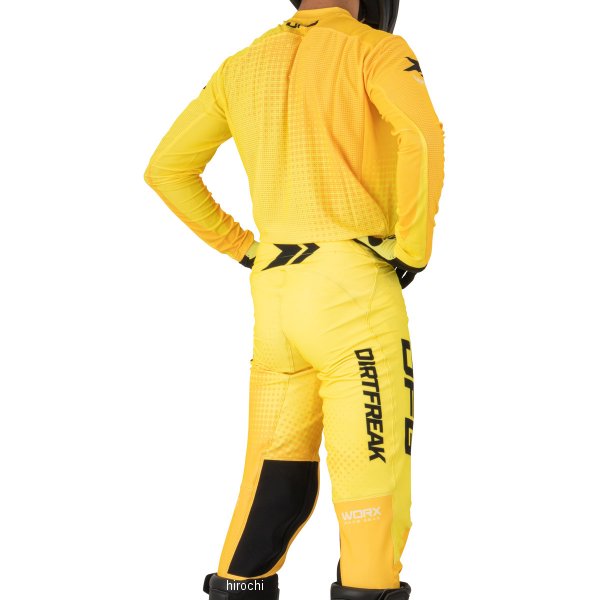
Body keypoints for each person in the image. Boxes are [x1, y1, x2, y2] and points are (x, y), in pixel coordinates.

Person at [144, 0, 444, 597]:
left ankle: (240, 584)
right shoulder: (377, 49)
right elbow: (420, 136)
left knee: (273, 471)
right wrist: (413, 248)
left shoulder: (242, 64)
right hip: (351, 293)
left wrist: (244, 248)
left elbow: (167, 169)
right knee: (372, 483)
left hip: (276, 292)